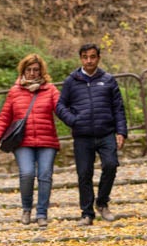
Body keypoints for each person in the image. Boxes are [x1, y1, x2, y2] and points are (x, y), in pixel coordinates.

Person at [55, 43, 128, 225]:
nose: (89, 60)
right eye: (85, 57)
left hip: (106, 133)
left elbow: (118, 108)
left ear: (98, 58)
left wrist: (121, 131)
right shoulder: (71, 81)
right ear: (81, 58)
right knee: (84, 174)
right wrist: (73, 120)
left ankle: (102, 203)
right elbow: (60, 106)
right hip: (83, 135)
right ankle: (87, 213)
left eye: (93, 57)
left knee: (111, 165)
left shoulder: (108, 80)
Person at [0, 54, 61, 227]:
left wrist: (78, 123)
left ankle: (42, 213)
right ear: (23, 71)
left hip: (47, 140)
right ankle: (27, 209)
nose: (32, 73)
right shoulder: (15, 92)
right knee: (27, 174)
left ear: (41, 72)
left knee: (45, 175)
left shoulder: (50, 90)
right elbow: (4, 118)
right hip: (23, 141)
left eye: (35, 70)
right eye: (28, 70)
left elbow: (62, 110)